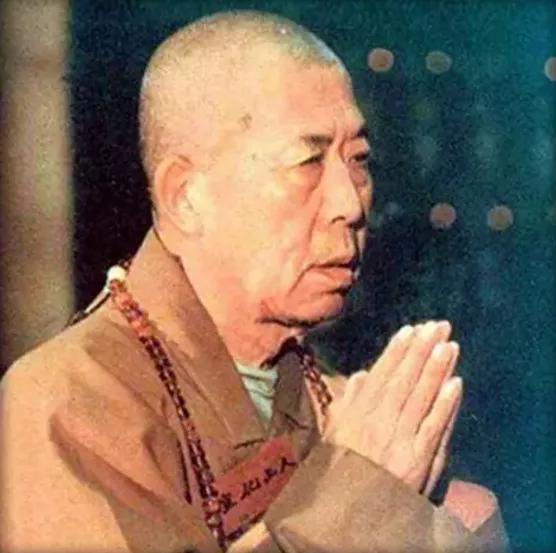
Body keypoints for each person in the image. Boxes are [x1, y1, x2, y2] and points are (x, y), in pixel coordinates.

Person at [0, 10, 509, 553]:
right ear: (185, 195)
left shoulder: (329, 396)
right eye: (308, 161)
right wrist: (358, 494)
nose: (350, 202)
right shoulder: (69, 403)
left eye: (358, 160)